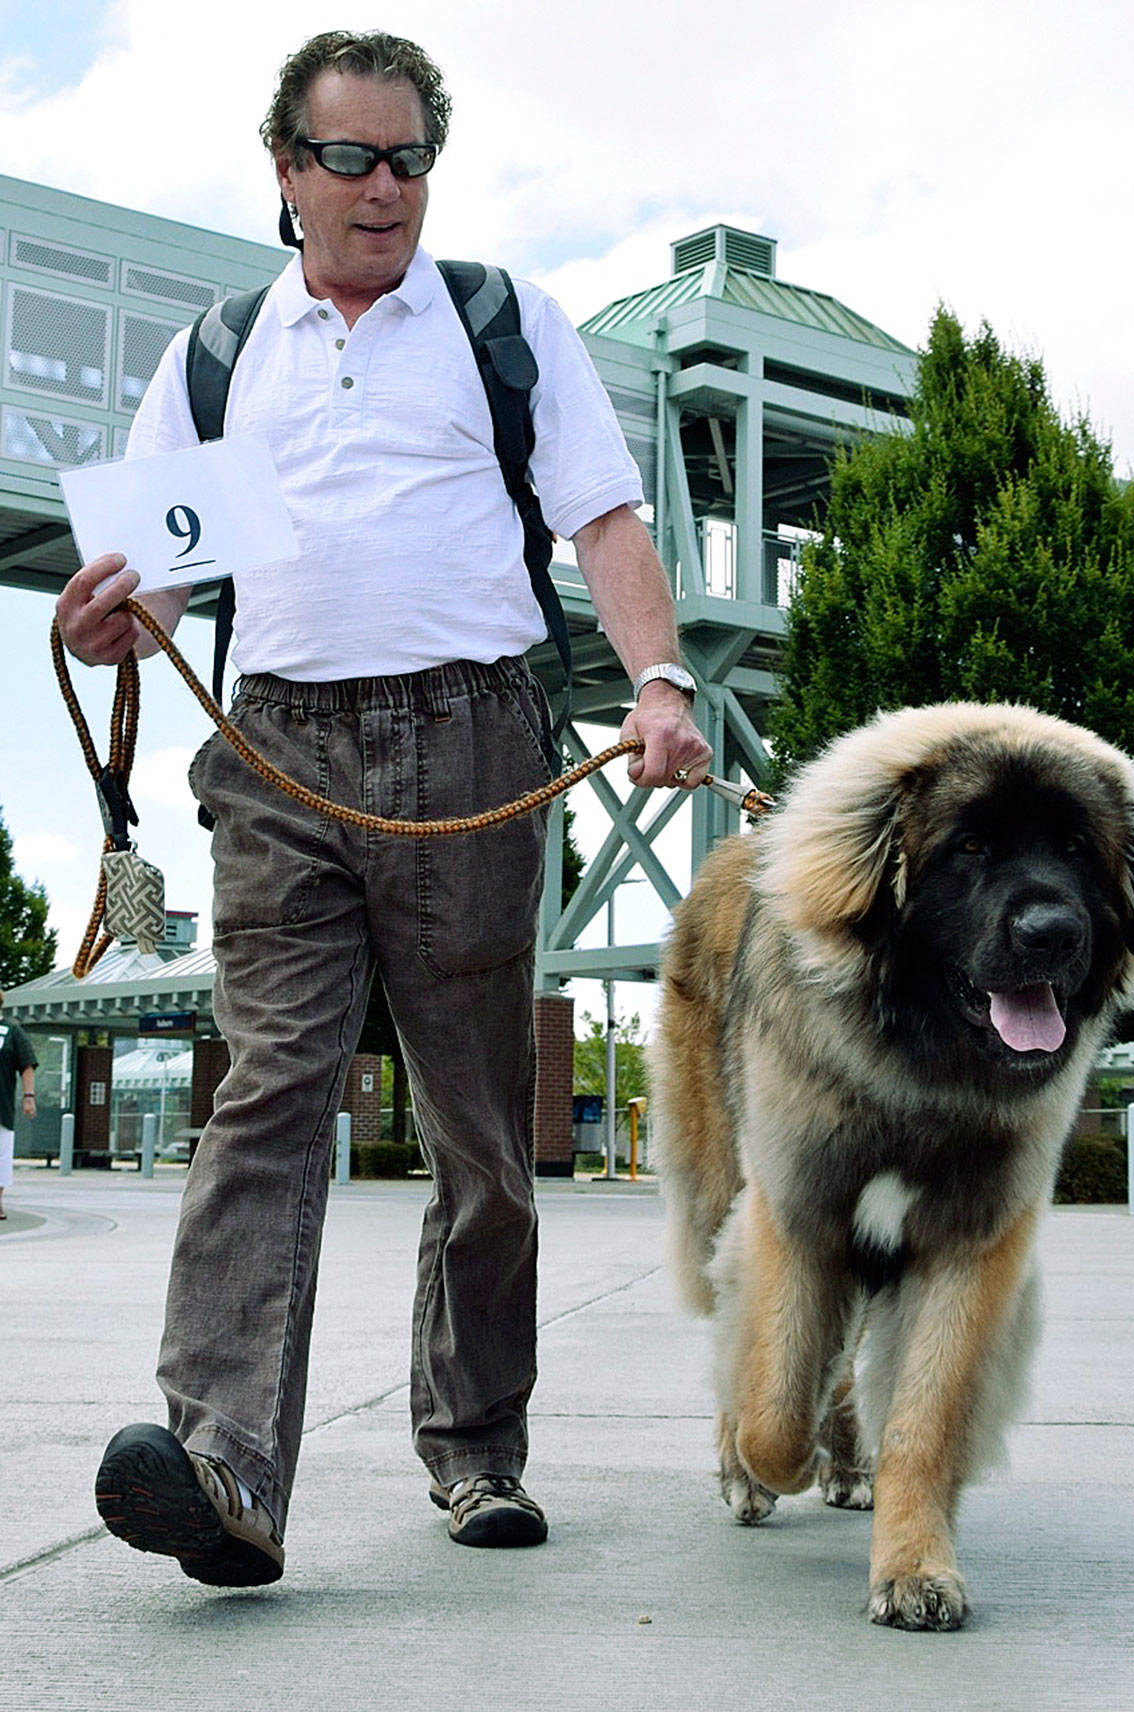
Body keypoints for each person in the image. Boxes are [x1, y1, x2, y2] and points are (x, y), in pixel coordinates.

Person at [56, 29, 710, 1588]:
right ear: (286, 173)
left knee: (481, 1127)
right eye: (349, 158)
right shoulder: (220, 351)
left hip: (474, 741)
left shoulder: (502, 323)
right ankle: (221, 1465)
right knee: (268, 1094)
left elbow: (605, 521)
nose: (383, 188)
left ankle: (477, 1450)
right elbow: (150, 578)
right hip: (277, 754)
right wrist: (105, 620)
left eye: (409, 158)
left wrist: (664, 681)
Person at [0, 991, 38, 1220]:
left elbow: (26, 1065)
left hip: (1, 1108)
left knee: (1, 1156)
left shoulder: (12, 1031)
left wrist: (29, 1096)